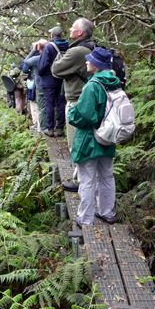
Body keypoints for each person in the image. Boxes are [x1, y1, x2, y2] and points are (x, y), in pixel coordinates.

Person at [67, 47, 121, 227]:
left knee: (87, 179)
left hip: (89, 139)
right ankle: (107, 213)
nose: (86, 62)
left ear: (96, 65)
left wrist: (70, 113)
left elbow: (84, 116)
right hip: (108, 137)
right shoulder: (114, 82)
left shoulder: (92, 86)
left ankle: (85, 219)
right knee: (107, 176)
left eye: (89, 60)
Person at [51, 18, 94, 189]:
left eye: (73, 27)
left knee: (75, 142)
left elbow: (56, 70)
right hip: (87, 99)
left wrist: (60, 54)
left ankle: (80, 181)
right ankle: (83, 179)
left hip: (77, 101)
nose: (69, 29)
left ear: (80, 33)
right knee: (83, 141)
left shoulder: (77, 52)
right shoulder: (91, 47)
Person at [38, 26, 68, 137]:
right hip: (63, 79)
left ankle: (50, 129)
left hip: (49, 80)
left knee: (49, 104)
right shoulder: (67, 46)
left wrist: (41, 74)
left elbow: (42, 65)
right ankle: (60, 128)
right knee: (61, 104)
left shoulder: (48, 47)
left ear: (52, 35)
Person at [24, 40, 48, 133]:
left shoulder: (35, 58)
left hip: (37, 84)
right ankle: (50, 126)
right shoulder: (51, 56)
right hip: (50, 83)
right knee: (50, 105)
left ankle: (40, 127)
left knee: (38, 106)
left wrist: (33, 51)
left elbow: (25, 65)